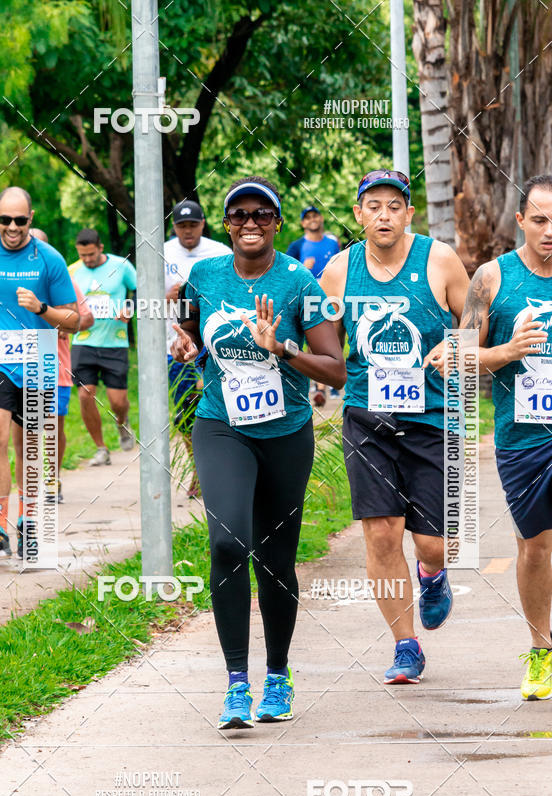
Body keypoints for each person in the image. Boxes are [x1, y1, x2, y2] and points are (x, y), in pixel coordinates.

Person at [170, 175, 346, 729]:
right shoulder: (205, 274)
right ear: (227, 224)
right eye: (240, 215)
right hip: (222, 425)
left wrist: (283, 348)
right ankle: (235, 684)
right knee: (228, 543)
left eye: (261, 214)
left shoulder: (299, 282)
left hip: (286, 433)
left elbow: (336, 369)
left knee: (275, 559)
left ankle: (277, 675)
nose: (250, 223)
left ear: (277, 222)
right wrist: (185, 343)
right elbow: (188, 328)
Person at [321, 169, 469, 685]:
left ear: (409, 213)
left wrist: (456, 343)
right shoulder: (339, 271)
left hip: (434, 418)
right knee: (382, 535)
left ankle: (433, 573)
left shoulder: (440, 260)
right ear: (358, 213)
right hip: (367, 419)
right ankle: (406, 645)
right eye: (373, 206)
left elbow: (477, 322)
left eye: (394, 206)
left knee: (433, 543)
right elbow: (323, 340)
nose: (384, 215)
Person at [458, 173, 552, 700]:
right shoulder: (490, 279)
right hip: (523, 437)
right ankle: (541, 650)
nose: (549, 230)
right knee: (535, 547)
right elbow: (459, 357)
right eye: (539, 220)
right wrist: (508, 352)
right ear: (520, 221)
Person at [0, 186, 80, 559]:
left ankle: (28, 524)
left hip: (38, 359)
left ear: (31, 218)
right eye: (5, 219)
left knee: (29, 445)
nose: (12, 227)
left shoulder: (49, 260)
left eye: (20, 220)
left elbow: (73, 319)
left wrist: (41, 308)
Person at [164, 200, 231, 497]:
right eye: (182, 226)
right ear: (174, 226)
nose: (188, 231)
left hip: (216, 345)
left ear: (203, 224)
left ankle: (225, 468)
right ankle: (198, 469)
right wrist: (167, 296)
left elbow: (234, 290)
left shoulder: (220, 252)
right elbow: (143, 297)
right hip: (176, 347)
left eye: (193, 225)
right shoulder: (161, 252)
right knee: (186, 412)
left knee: (220, 408)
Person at [23, 228, 94, 505]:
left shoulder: (62, 278)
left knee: (52, 425)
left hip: (54, 363)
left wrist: (65, 324)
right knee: (28, 428)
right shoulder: (10, 278)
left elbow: (86, 318)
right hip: (16, 363)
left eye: (38, 246)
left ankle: (52, 479)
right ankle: (27, 484)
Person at [70, 228, 137, 466]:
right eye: (83, 255)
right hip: (83, 341)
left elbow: (140, 289)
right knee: (85, 394)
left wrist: (129, 308)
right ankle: (101, 448)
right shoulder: (72, 271)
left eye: (91, 254)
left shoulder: (121, 266)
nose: (87, 260)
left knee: (117, 402)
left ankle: (122, 422)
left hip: (114, 342)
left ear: (100, 247)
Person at [287, 206, 341, 405]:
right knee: (312, 342)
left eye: (315, 215)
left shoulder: (333, 243)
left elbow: (341, 267)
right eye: (307, 217)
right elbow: (286, 274)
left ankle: (327, 384)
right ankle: (319, 386)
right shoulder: (297, 246)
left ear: (321, 218)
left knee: (334, 339)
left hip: (332, 297)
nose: (312, 219)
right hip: (307, 299)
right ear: (303, 223)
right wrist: (303, 268)